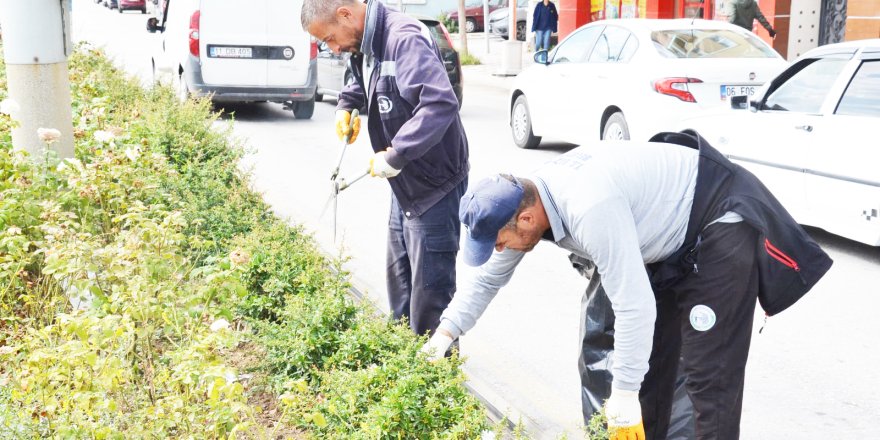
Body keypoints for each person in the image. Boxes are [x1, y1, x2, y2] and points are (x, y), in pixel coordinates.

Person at [423, 131, 832, 439]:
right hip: (670, 241)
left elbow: (634, 306)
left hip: (719, 223)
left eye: (498, 241)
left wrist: (621, 394)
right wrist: (445, 333)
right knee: (651, 371)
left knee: (709, 378)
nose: (500, 249)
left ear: (525, 220)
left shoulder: (589, 208)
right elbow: (488, 279)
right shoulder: (524, 200)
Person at [301, 0, 470, 338]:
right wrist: (346, 106)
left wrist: (396, 153)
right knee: (401, 290)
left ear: (346, 14)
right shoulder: (364, 40)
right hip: (404, 185)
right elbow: (360, 76)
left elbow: (439, 102)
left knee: (429, 302)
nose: (332, 47)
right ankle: (401, 367)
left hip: (434, 185)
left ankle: (434, 378)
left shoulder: (403, 39)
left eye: (331, 38)